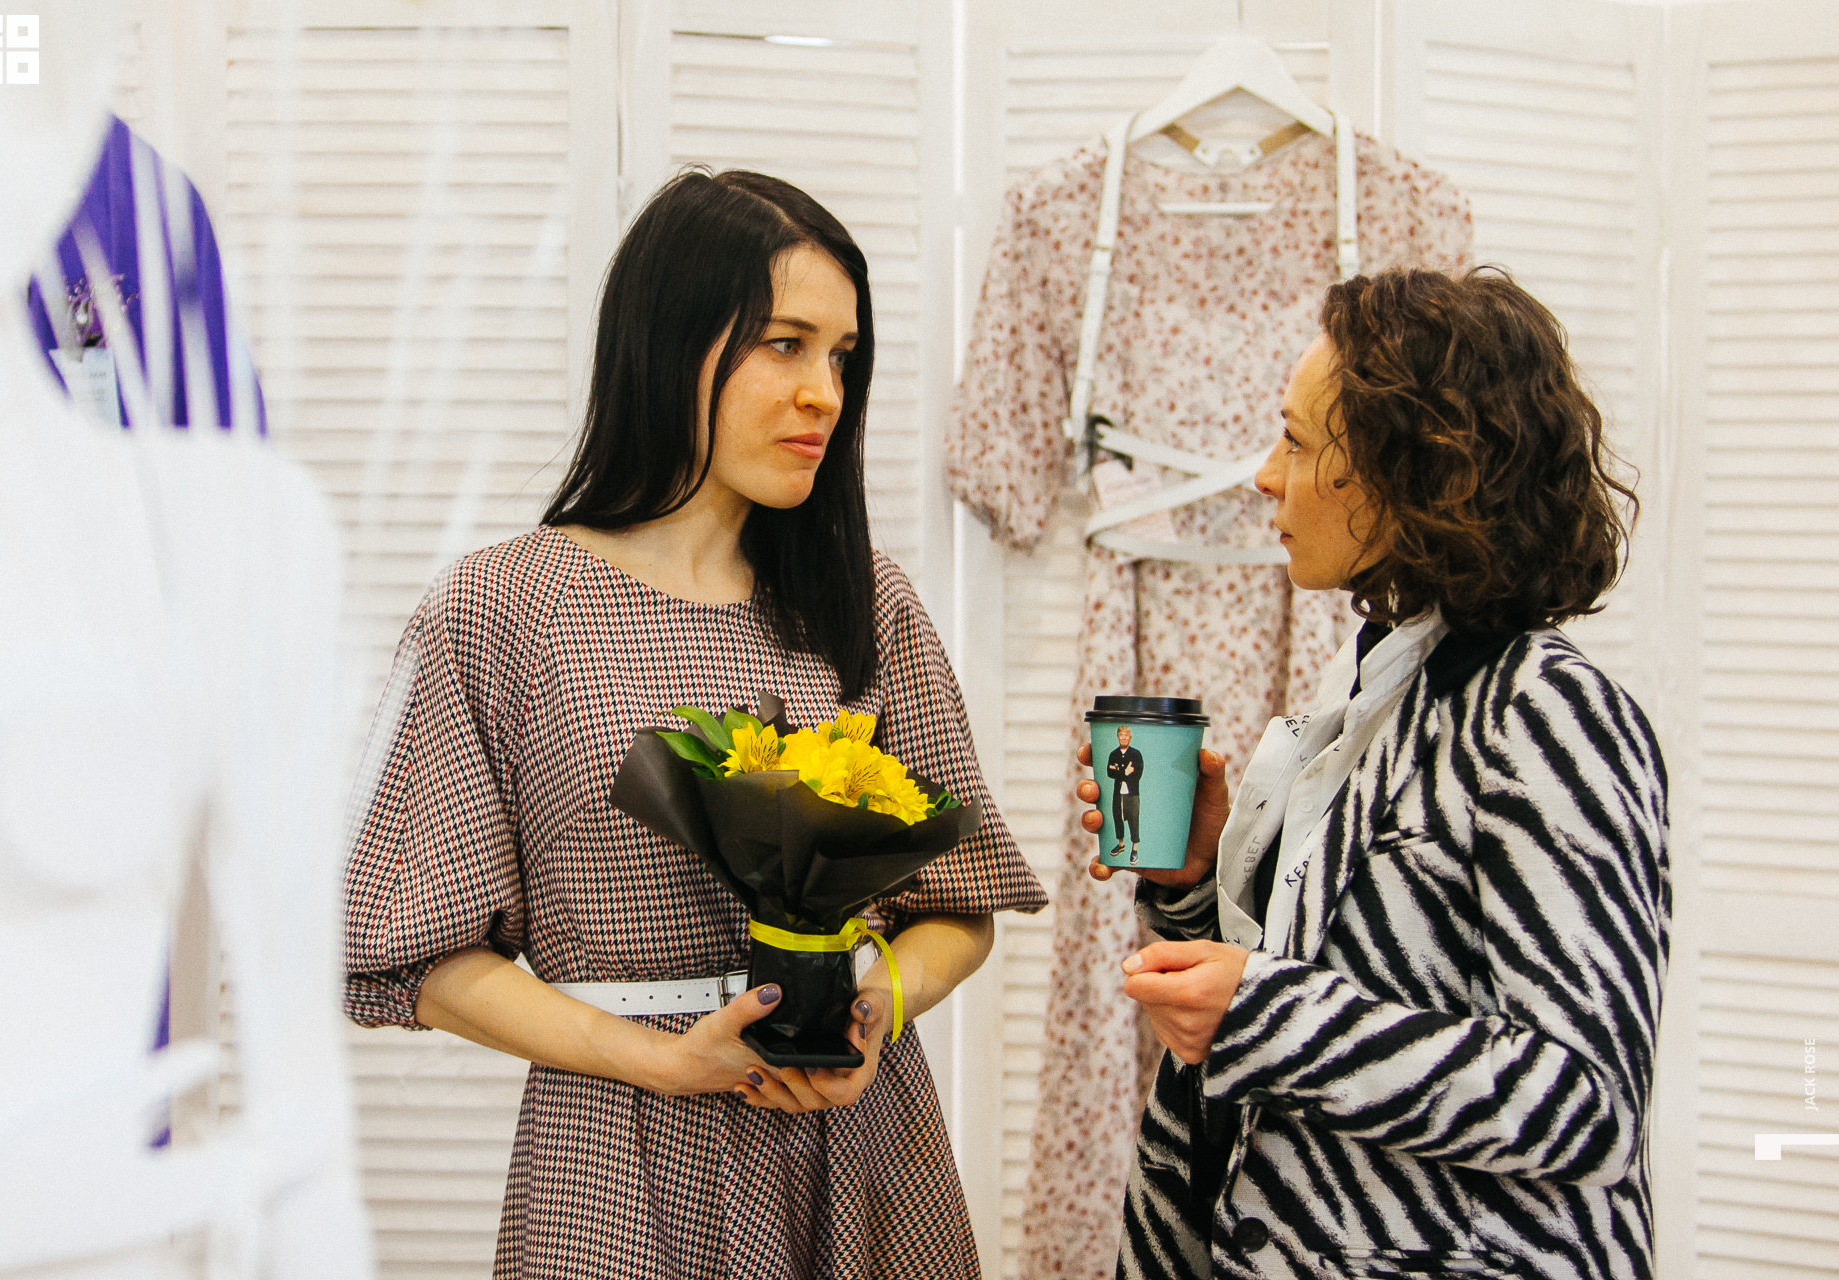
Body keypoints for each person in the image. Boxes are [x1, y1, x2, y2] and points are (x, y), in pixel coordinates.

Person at [344, 169, 1047, 1279]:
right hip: (616, 1158)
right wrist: (660, 1059)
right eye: (785, 345)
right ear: (670, 344)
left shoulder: (868, 604)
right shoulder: (499, 610)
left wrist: (873, 1006)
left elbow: (960, 907)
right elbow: (417, 954)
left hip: (858, 1150)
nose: (824, 393)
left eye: (842, 356)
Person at [1073, 267, 1668, 1280]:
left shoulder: (1550, 713)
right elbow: (1324, 977)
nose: (1266, 476)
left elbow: (1585, 1102)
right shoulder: (1377, 684)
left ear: (1414, 472)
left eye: (1299, 442)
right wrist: (1198, 880)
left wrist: (1262, 1016)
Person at [1107, 725, 1145, 862]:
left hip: (1132, 793)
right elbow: (1109, 773)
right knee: (1118, 816)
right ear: (1118, 737)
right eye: (1121, 735)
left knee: (1133, 819)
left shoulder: (1136, 754)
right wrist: (1125, 772)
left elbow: (1137, 774)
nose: (1123, 738)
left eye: (1126, 735)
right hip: (1118, 792)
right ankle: (1121, 844)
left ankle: (1134, 848)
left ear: (1130, 738)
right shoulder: (1113, 754)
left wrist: (1118, 771)